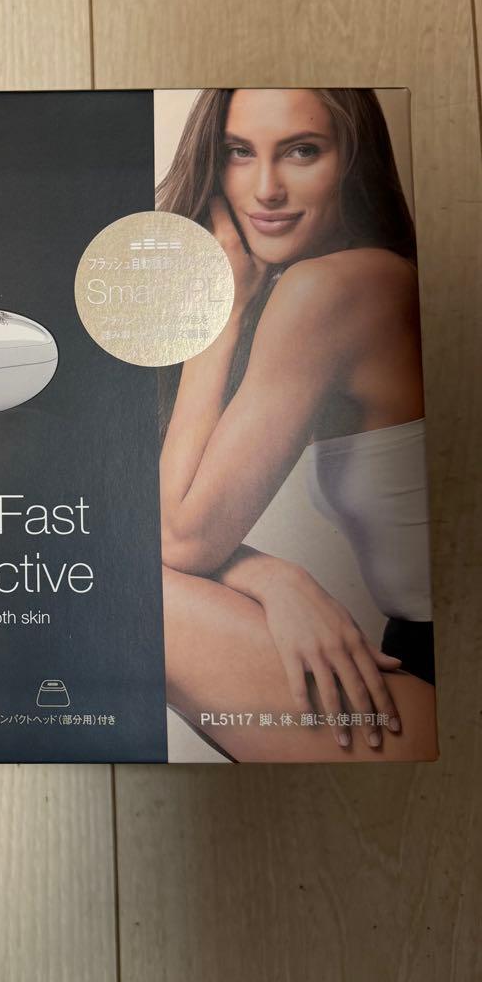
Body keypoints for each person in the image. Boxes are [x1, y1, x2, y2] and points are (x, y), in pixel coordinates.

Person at [156, 88, 436, 761]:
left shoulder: (333, 289)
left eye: (302, 151)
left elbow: (181, 538)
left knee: (116, 591)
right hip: (412, 659)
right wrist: (275, 579)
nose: (266, 189)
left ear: (354, 161)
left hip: (437, 679)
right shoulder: (364, 279)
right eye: (238, 153)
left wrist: (221, 314)